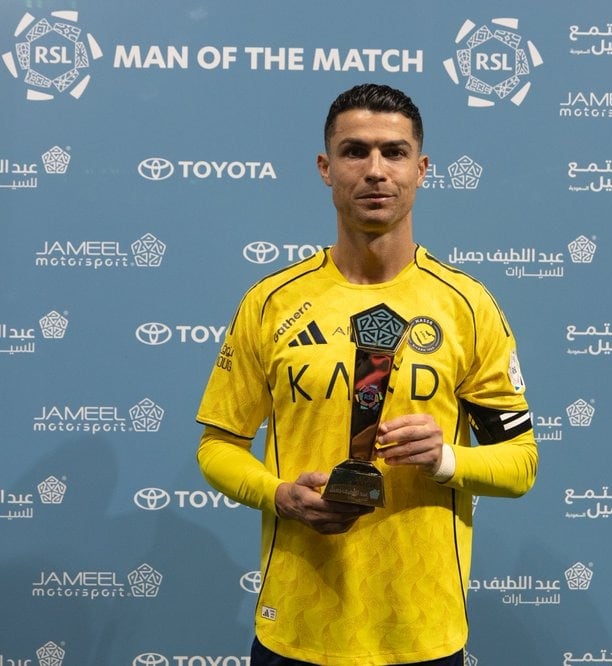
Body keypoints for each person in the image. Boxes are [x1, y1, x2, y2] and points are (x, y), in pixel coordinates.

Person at [196, 83, 538, 666]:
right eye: (355, 151)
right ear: (326, 168)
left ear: (421, 169)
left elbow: (521, 463)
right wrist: (279, 496)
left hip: (421, 633)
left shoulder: (468, 306)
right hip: (297, 629)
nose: (375, 170)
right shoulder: (271, 302)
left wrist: (444, 460)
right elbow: (218, 447)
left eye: (394, 152)